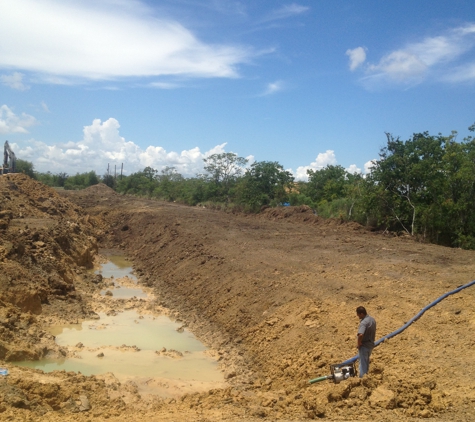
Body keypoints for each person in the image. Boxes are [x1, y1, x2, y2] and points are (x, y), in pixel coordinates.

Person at [356, 306, 376, 378]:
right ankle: (366, 377)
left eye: (358, 314)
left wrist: (359, 344)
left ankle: (362, 379)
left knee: (362, 364)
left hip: (364, 345)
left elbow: (361, 335)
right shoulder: (372, 320)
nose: (357, 316)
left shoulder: (364, 322)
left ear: (361, 314)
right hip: (370, 345)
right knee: (366, 362)